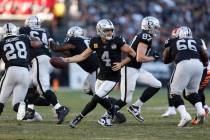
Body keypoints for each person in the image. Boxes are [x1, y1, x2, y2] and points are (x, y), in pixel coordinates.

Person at [61, 19, 136, 128]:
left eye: (111, 30)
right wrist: (65, 60)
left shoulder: (117, 41)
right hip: (101, 75)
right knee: (99, 99)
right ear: (100, 30)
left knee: (96, 98)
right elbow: (82, 56)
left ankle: (78, 118)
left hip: (112, 76)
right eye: (107, 30)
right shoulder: (95, 41)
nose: (110, 32)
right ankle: (112, 113)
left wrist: (121, 64)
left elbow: (132, 53)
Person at [99, 16, 162, 123]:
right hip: (130, 69)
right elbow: (139, 57)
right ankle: (105, 117)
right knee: (125, 99)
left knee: (157, 84)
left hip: (136, 69)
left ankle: (136, 107)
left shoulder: (144, 35)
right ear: (149, 26)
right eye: (155, 27)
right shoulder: (145, 36)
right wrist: (153, 58)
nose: (156, 29)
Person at [19, 15, 69, 124]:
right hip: (45, 59)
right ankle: (30, 111)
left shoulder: (25, 30)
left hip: (39, 59)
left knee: (42, 87)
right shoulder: (45, 31)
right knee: (30, 85)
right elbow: (54, 46)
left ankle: (59, 108)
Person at [162, 26, 208, 127]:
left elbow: (165, 59)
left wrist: (173, 56)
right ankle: (200, 111)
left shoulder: (172, 40)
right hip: (198, 64)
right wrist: (204, 63)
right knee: (192, 92)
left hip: (183, 63)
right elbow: (204, 54)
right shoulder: (196, 40)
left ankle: (184, 115)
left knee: (173, 92)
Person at [0, 23, 42, 120]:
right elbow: (38, 44)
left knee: (1, 101)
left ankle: (30, 113)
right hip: (25, 72)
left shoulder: (2, 43)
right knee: (16, 104)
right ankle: (35, 115)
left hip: (11, 70)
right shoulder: (24, 38)